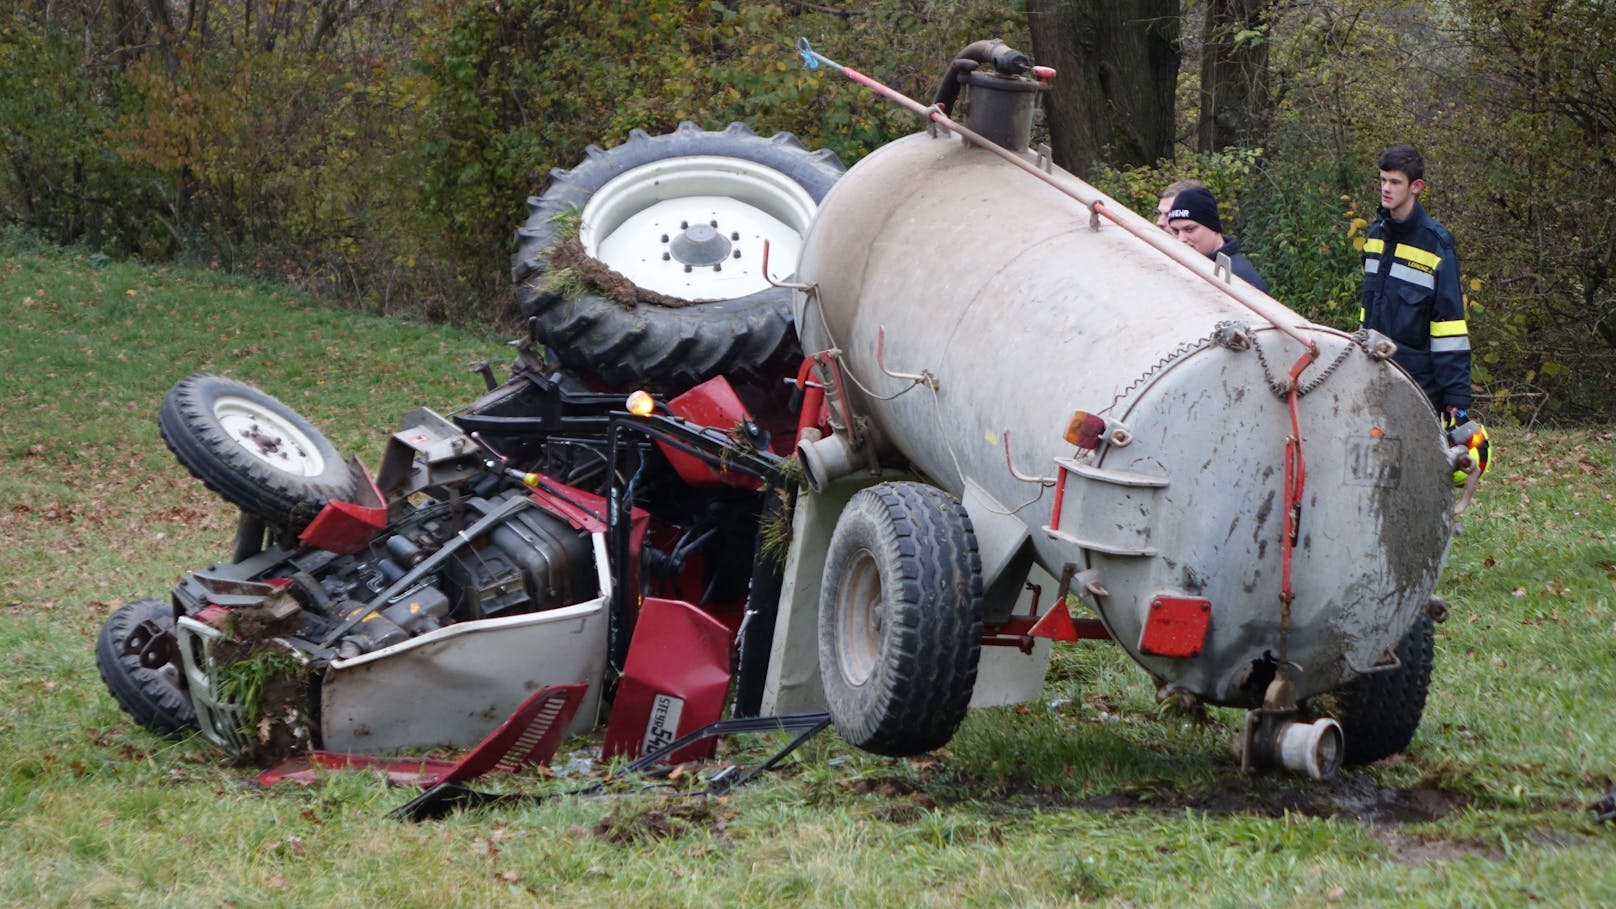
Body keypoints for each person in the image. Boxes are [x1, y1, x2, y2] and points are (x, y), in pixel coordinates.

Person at [1359, 144, 1471, 420]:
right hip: (1371, 373)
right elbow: (1367, 310)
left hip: (1417, 385)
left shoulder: (1436, 244)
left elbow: (1449, 326)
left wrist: (1454, 397)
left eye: (1395, 182)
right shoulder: (1375, 237)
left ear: (1416, 186)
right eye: (1383, 180)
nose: (1386, 188)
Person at [1166, 186, 1269, 293]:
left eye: (1190, 229)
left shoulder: (1238, 277)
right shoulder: (1188, 266)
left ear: (1213, 228)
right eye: (1176, 231)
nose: (1181, 239)